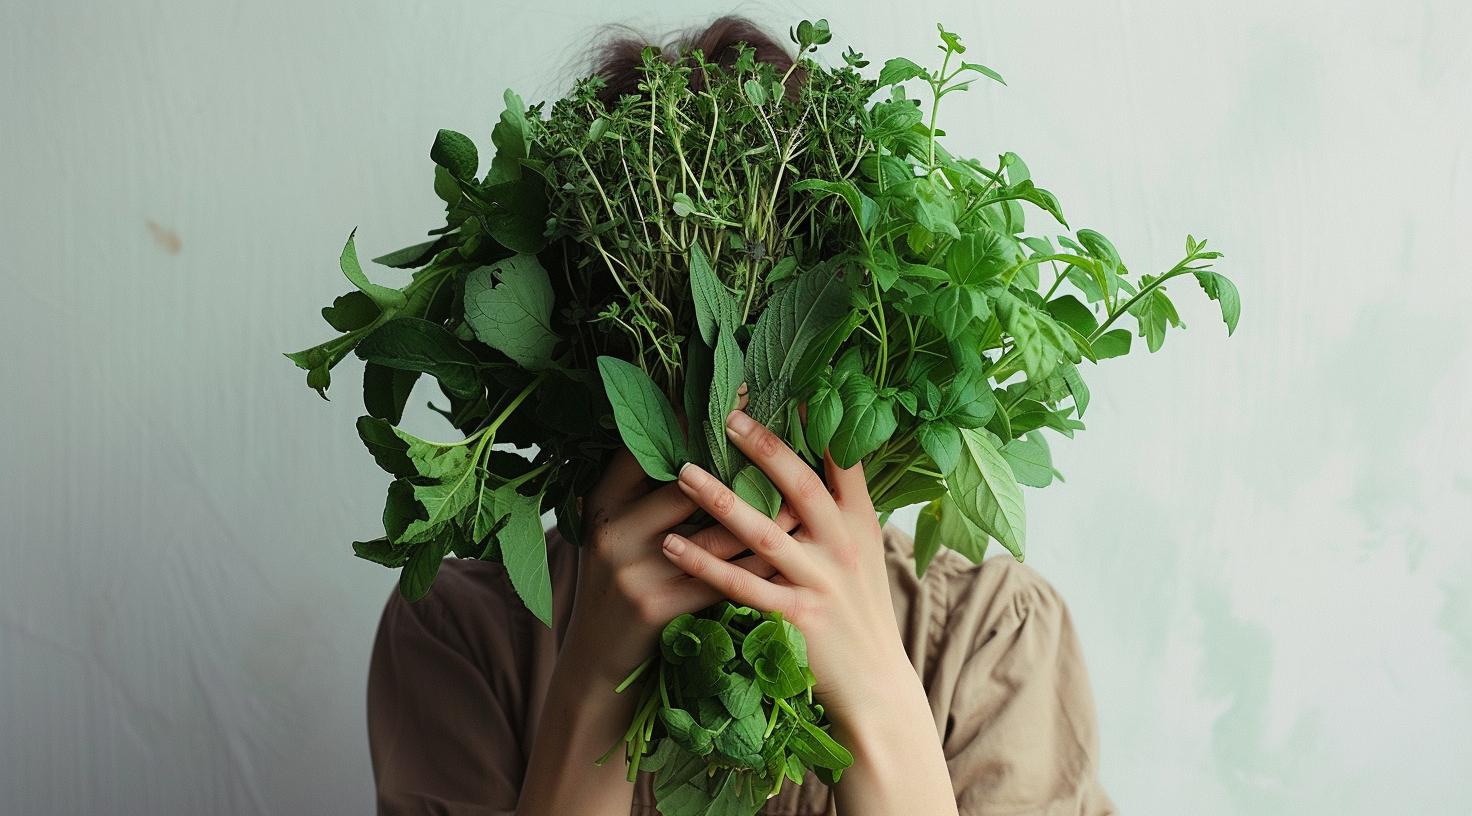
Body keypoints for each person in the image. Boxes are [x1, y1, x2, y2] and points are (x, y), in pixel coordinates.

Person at [365, 15, 1117, 816]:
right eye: (671, 356)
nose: (726, 409)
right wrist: (589, 689)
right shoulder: (464, 636)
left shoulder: (989, 637)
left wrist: (875, 696)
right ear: (581, 361)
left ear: (860, 340)